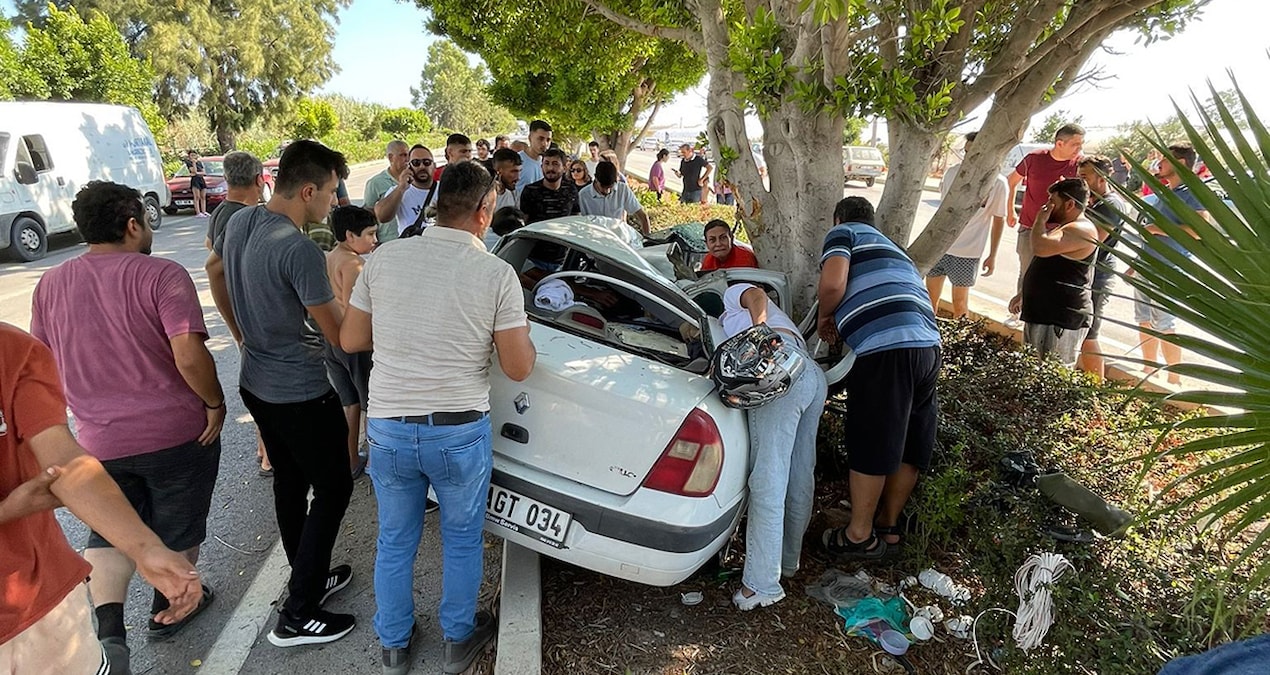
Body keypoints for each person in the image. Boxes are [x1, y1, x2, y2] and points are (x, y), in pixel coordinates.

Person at [339, 161, 537, 675]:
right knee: (462, 537)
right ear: (484, 211)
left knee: (395, 538)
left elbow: (352, 339)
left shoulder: (384, 258)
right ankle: (456, 639)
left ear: (437, 201)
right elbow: (518, 367)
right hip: (458, 431)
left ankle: (393, 644)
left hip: (389, 428)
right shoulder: (496, 274)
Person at [29, 180, 223, 669]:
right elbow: (188, 355)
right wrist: (215, 402)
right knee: (178, 524)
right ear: (133, 224)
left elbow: (43, 363)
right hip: (176, 433)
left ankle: (111, 634)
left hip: (97, 441)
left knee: (110, 533)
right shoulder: (162, 275)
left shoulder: (50, 284)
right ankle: (172, 605)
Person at [206, 139, 356, 647]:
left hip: (256, 383)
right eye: (330, 192)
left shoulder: (239, 221)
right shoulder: (299, 249)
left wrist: (240, 333)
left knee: (290, 482)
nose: (333, 203)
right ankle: (298, 613)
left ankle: (305, 576)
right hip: (300, 392)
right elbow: (340, 335)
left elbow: (214, 272)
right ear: (308, 190)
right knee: (334, 488)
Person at [0, 323, 204, 675]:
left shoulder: (12, 349)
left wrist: (145, 548)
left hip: (42, 603)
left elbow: (64, 461)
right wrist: (8, 510)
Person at [817, 197, 941, 560]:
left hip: (886, 349)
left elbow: (833, 284)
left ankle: (858, 536)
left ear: (838, 218)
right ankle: (888, 527)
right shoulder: (894, 249)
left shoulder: (844, 232)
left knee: (871, 439)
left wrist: (825, 317)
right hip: (928, 348)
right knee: (908, 442)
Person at [721, 284, 828, 610]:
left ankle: (761, 584)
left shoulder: (729, 296)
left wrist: (759, 337)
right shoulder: (727, 322)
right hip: (810, 372)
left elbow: (756, 295)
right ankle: (787, 561)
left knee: (768, 477)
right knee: (799, 473)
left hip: (779, 366)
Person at [1134, 143, 1208, 385]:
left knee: (1164, 323)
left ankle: (1174, 380)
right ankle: (1148, 371)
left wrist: (1159, 229)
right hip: (1147, 264)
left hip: (1169, 267)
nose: (1159, 164)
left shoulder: (1192, 192)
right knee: (1144, 318)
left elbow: (1200, 230)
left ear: (1181, 163)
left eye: (1165, 159)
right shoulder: (1166, 191)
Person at [1007, 179, 1099, 367]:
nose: (1047, 206)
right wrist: (1023, 293)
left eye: (1052, 201)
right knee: (1032, 370)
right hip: (1042, 313)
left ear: (1070, 204)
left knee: (1053, 372)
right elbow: (1046, 261)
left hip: (1060, 318)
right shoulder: (1065, 227)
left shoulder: (1080, 229)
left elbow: (1040, 247)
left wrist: (1040, 220)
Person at [925, 132, 1009, 318]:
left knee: (960, 302)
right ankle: (928, 333)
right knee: (929, 298)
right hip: (939, 247)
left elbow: (998, 219)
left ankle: (961, 335)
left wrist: (992, 255)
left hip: (967, 252)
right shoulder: (952, 173)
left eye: (976, 152)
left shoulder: (998, 183)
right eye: (967, 152)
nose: (970, 157)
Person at [325, 206, 378, 478]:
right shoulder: (354, 265)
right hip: (354, 345)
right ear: (350, 235)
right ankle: (373, 462)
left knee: (349, 402)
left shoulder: (331, 256)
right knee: (371, 402)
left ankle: (350, 459)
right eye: (369, 234)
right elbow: (353, 310)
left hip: (331, 340)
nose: (374, 240)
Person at [1006, 124, 1084, 308]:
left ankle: (1046, 313)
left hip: (1062, 233)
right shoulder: (1034, 158)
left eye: (1081, 144)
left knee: (1055, 276)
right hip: (1030, 229)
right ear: (1060, 143)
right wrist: (1010, 210)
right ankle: (1021, 312)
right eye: (1075, 144)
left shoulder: (1080, 165)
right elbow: (1012, 181)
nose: (1079, 149)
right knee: (1028, 272)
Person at [1077, 155, 1130, 378]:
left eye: (1084, 177)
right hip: (1087, 274)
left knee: (1089, 334)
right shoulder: (1094, 202)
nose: (1080, 182)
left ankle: (1095, 388)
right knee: (1080, 331)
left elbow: (1092, 241)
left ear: (1101, 177)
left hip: (1097, 276)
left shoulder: (1111, 204)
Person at [205, 151, 265, 250]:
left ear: (225, 178)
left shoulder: (218, 211)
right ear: (259, 179)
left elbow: (209, 243)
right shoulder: (250, 217)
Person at [375, 145, 438, 236]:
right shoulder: (399, 191)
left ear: (434, 166)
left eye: (427, 162)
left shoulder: (446, 189)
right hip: (411, 243)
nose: (422, 166)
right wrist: (401, 188)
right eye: (416, 163)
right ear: (408, 167)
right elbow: (382, 217)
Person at [579, 161, 650, 235]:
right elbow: (583, 222)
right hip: (594, 236)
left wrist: (648, 238)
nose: (607, 191)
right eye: (603, 187)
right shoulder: (584, 195)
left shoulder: (623, 189)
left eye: (610, 187)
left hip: (618, 237)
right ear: (595, 178)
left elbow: (642, 216)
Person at [364, 140, 410, 243]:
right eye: (402, 155)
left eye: (408, 155)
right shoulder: (376, 183)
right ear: (390, 157)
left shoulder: (413, 179)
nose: (407, 159)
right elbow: (368, 215)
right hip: (388, 240)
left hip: (410, 238)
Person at [520, 148, 580, 224]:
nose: (550, 168)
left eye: (555, 164)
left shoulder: (571, 189)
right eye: (547, 163)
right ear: (541, 167)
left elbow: (576, 219)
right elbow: (524, 222)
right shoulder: (530, 191)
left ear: (564, 168)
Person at [517, 120, 552, 191]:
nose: (545, 144)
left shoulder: (548, 164)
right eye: (541, 139)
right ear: (530, 138)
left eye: (548, 140)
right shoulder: (516, 161)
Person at [185, 150, 209, 217]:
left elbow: (203, 172)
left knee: (203, 196)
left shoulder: (199, 162)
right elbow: (194, 171)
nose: (193, 156)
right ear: (189, 156)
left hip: (201, 179)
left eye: (194, 155)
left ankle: (204, 211)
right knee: (197, 196)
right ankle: (198, 212)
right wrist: (194, 163)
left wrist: (197, 173)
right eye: (191, 155)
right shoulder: (189, 163)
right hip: (195, 180)